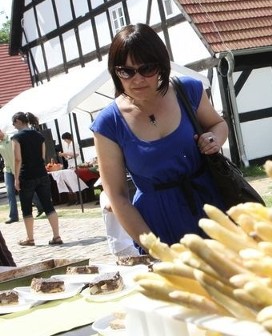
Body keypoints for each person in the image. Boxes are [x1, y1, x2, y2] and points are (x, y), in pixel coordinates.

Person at [90, 23, 229, 247]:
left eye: (147, 69)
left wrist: (214, 139)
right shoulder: (108, 123)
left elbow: (218, 124)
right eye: (126, 71)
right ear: (115, 72)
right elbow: (117, 197)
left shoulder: (189, 90)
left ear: (161, 65)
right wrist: (154, 246)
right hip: (157, 223)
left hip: (213, 209)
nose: (137, 79)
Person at [11, 112, 63, 246]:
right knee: (48, 205)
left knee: (27, 207)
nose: (13, 125)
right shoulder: (39, 136)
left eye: (14, 122)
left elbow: (17, 159)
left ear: (18, 121)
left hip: (26, 175)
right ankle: (56, 236)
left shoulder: (16, 137)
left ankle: (30, 238)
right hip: (41, 173)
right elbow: (42, 156)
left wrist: (16, 178)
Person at [0, 129, 19, 224]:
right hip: (7, 170)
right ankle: (14, 216)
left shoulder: (12, 137)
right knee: (10, 192)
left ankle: (40, 207)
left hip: (17, 168)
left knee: (23, 189)